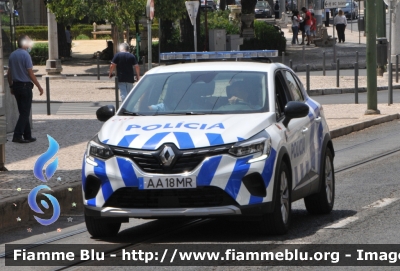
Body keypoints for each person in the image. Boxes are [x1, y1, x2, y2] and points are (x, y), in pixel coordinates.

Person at [7, 35, 44, 143]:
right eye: (28, 41)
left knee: (23, 111)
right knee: (25, 112)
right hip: (25, 86)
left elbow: (9, 73)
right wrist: (39, 86)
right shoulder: (26, 55)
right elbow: (31, 74)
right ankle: (17, 135)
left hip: (16, 86)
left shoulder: (12, 55)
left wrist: (11, 86)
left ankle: (27, 135)